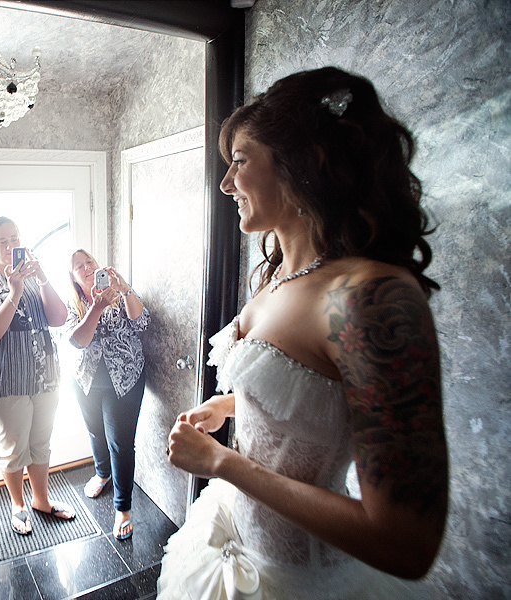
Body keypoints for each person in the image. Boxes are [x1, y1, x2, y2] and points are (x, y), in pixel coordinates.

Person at [157, 67, 448, 600]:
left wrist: (222, 462)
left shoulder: (370, 300)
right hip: (229, 539)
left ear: (306, 164)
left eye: (240, 162)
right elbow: (311, 398)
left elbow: (407, 542)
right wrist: (231, 407)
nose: (225, 184)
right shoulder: (277, 275)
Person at [0, 216, 75, 536]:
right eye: (3, 240)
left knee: (41, 443)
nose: (11, 245)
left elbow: (58, 318)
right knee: (14, 448)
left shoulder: (33, 276)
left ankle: (41, 499)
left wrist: (40, 277)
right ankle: (18, 504)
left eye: (15, 238)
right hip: (4, 380)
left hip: (44, 376)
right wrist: (14, 291)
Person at [65, 250, 149, 541]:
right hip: (86, 381)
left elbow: (142, 324)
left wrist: (124, 289)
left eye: (90, 262)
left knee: (120, 443)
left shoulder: (119, 292)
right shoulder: (71, 304)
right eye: (79, 267)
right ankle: (102, 473)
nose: (87, 268)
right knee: (95, 432)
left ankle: (123, 507)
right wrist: (96, 307)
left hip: (125, 380)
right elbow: (78, 341)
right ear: (73, 277)